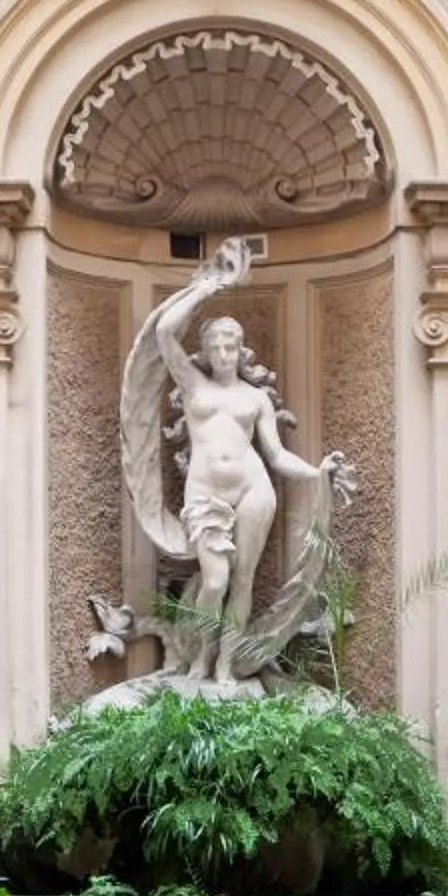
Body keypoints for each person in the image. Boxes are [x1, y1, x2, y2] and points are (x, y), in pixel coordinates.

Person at [146, 240, 348, 684]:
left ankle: (223, 665)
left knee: (241, 581)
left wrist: (317, 472)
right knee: (214, 580)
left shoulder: (254, 398)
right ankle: (200, 655)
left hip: (254, 490)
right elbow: (163, 333)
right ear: (206, 348)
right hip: (205, 493)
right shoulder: (192, 381)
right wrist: (205, 288)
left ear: (241, 351)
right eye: (217, 345)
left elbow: (275, 455)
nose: (223, 354)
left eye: (232, 347)